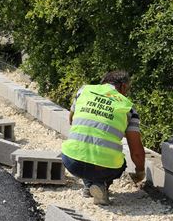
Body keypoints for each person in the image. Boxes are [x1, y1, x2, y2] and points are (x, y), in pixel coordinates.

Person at [61, 70, 146, 205]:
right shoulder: (128, 108)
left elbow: (71, 119)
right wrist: (140, 171)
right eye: (127, 89)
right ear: (123, 86)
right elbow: (136, 152)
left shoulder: (84, 90)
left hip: (71, 161)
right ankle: (101, 185)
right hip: (104, 168)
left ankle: (89, 185)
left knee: (86, 152)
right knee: (118, 162)